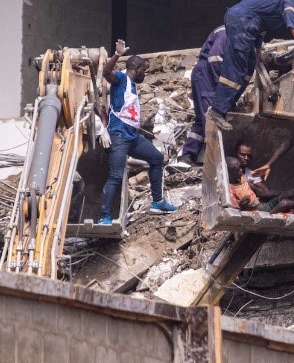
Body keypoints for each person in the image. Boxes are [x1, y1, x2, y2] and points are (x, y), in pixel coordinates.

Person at [207, 0, 294, 132]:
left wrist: (258, 50)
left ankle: (228, 105)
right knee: (236, 68)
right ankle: (217, 110)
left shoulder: (280, 1)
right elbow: (290, 19)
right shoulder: (289, 0)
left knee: (249, 67)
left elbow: (261, 27)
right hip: (242, 21)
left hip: (248, 24)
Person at [97, 39, 178, 225]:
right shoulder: (121, 79)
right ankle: (105, 217)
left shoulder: (132, 86)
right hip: (118, 136)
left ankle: (158, 202)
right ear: (136, 67)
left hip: (132, 137)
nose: (145, 74)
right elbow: (106, 72)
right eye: (144, 70)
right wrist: (117, 54)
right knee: (115, 175)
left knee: (157, 158)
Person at [178, 26, 227, 166]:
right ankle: (214, 159)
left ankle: (189, 153)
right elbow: (215, 59)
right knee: (210, 116)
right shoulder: (225, 32)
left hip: (206, 73)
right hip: (207, 74)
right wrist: (222, 86)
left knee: (202, 118)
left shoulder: (231, 32)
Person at [226, 157, 294, 214]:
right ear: (229, 173)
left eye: (240, 167)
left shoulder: (243, 179)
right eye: (237, 170)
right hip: (256, 213)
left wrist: (282, 193)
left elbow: (259, 192)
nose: (241, 170)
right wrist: (242, 206)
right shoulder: (230, 189)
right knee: (285, 203)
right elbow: (235, 212)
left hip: (263, 206)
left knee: (287, 195)